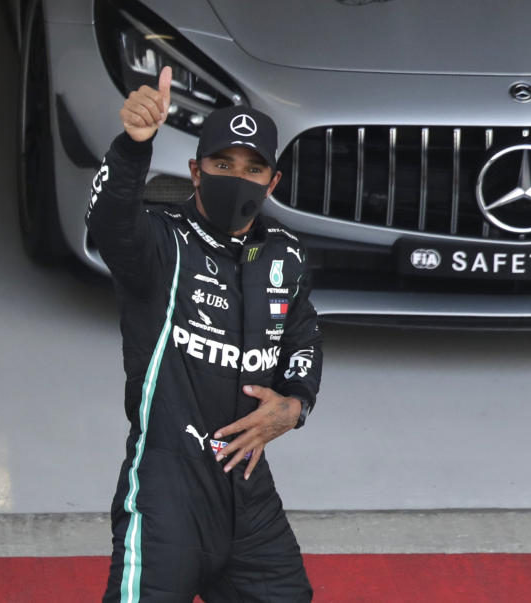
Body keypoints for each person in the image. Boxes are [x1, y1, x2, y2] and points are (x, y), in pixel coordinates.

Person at [88, 66, 323, 602]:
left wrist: (293, 405)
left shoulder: (285, 254)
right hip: (166, 492)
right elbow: (109, 223)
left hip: (249, 495)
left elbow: (304, 340)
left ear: (272, 182)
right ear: (195, 171)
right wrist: (132, 147)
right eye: (222, 163)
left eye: (251, 168)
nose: (236, 178)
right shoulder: (161, 242)